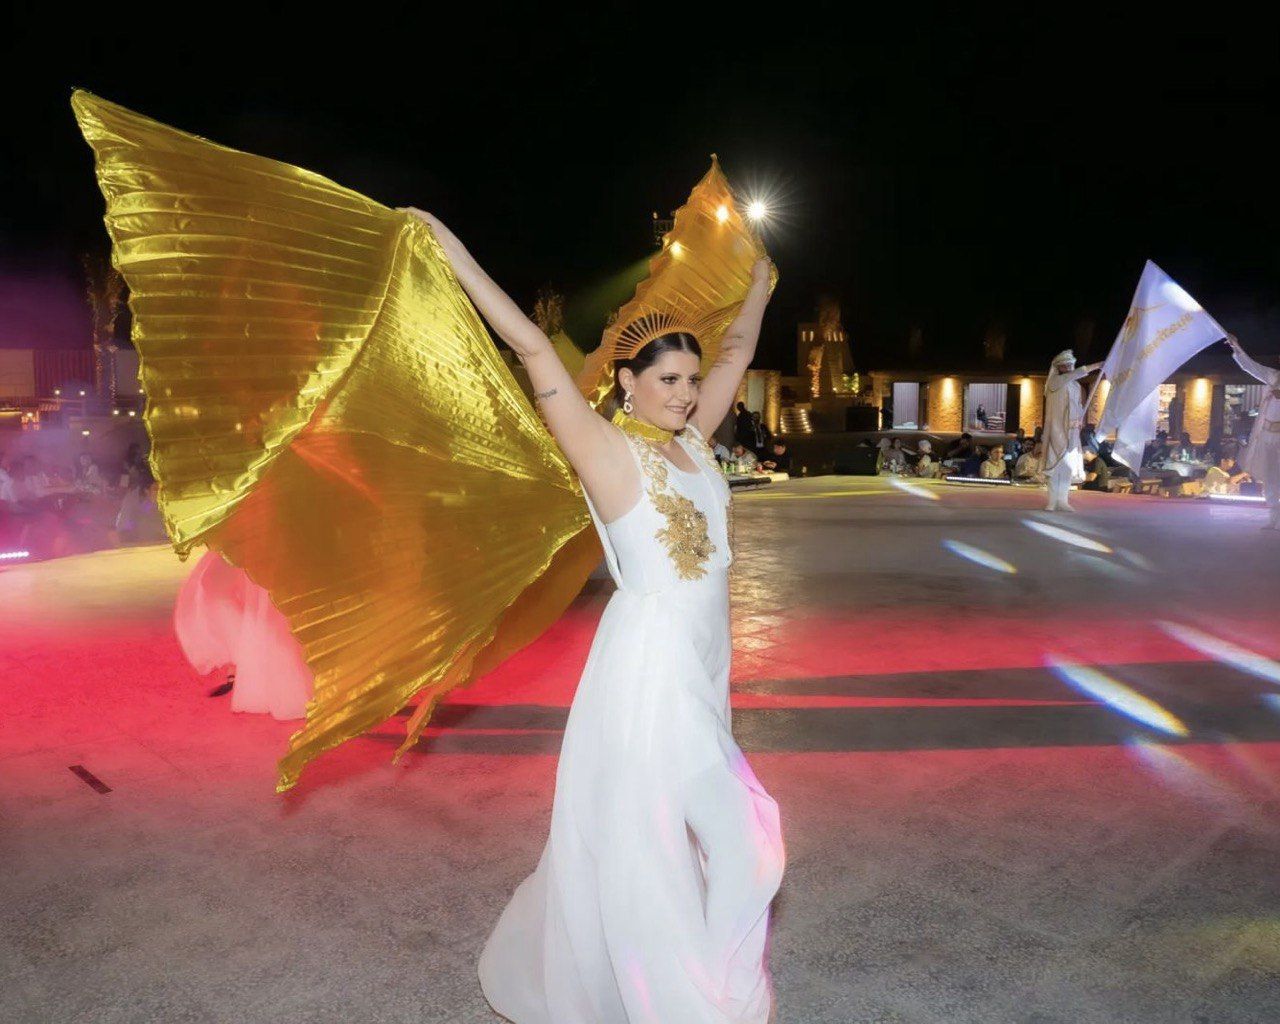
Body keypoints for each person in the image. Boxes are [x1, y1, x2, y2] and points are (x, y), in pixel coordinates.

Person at [404, 209, 783, 1022]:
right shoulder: (607, 453)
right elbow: (532, 347)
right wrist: (451, 247)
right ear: (627, 383)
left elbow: (739, 353)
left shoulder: (695, 441)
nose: (685, 393)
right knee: (741, 841)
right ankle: (708, 998)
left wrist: (759, 286)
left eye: (690, 380)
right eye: (668, 381)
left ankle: (700, 982)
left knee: (688, 843)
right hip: (651, 672)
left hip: (705, 663)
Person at [1226, 333, 1280, 528]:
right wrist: (1236, 346)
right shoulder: (1273, 375)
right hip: (1266, 435)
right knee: (1271, 476)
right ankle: (1273, 517)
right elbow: (1250, 366)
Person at [1043, 349, 1103, 512]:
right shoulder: (1055, 382)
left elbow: (1076, 406)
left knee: (1067, 468)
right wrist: (1096, 365)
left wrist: (1080, 419)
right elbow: (1075, 374)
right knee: (1055, 466)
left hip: (1073, 432)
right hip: (1057, 431)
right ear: (1059, 367)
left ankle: (1062, 500)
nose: (1069, 367)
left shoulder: (1075, 385)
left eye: (1071, 364)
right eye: (1066, 365)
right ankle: (1052, 501)